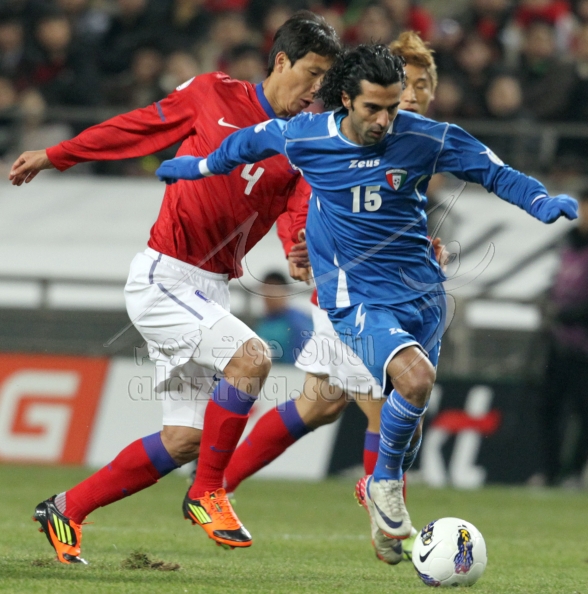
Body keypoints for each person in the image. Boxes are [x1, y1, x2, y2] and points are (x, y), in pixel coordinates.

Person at [155, 43, 578, 562]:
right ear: (346, 100)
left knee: (370, 410)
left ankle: (375, 487)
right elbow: (246, 144)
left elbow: (493, 171)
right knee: (410, 382)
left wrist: (539, 200)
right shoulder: (308, 135)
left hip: (421, 296)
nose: (385, 120)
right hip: (354, 298)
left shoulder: (423, 137)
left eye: (394, 106)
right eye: (373, 108)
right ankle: (375, 488)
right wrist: (197, 168)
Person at [8, 11, 341, 564]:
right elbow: (139, 126)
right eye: (312, 73)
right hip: (164, 275)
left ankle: (66, 508)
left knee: (184, 440)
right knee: (253, 358)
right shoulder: (214, 94)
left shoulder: (303, 142)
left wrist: (298, 247)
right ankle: (208, 492)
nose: (316, 89)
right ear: (281, 61)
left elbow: (299, 210)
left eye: (325, 79)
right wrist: (56, 156)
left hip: (211, 289)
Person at [221, 31, 441, 566]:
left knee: (319, 402)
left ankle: (215, 485)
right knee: (390, 404)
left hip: (380, 289)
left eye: (422, 86)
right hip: (356, 295)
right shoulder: (341, 134)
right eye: (406, 85)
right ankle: (386, 525)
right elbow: (302, 188)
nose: (412, 96)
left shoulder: (415, 140)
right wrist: (297, 241)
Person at [538, 184, 588, 487]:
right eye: (584, 205)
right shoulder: (569, 241)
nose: (587, 213)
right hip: (559, 340)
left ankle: (579, 473)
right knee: (549, 408)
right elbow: (556, 280)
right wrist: (549, 306)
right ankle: (550, 473)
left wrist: (569, 315)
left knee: (586, 412)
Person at [255, 271, 312, 364]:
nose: (268, 295)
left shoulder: (296, 321)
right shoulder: (263, 323)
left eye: (273, 290)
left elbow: (306, 353)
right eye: (265, 290)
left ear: (285, 292)